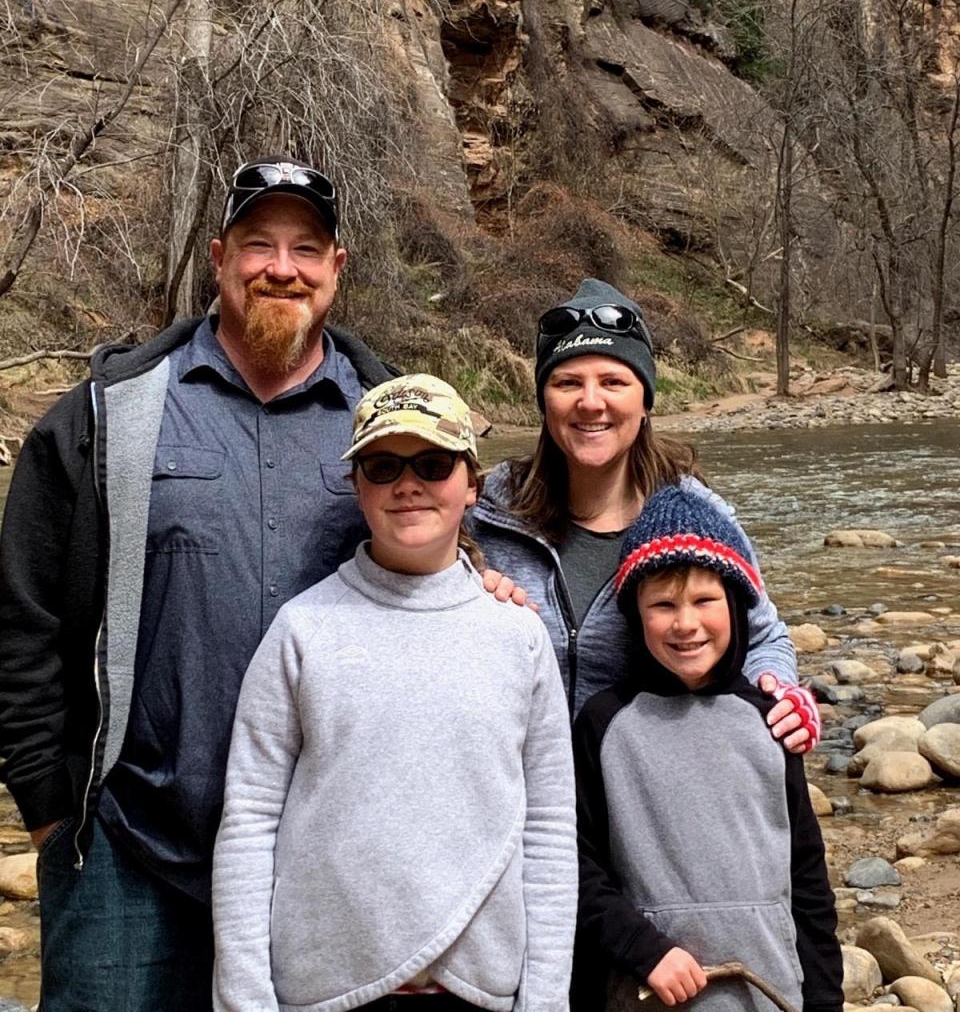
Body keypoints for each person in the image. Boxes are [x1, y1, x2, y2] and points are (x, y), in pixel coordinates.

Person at [0, 160, 397, 1010]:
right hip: (128, 848)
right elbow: (21, 614)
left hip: (324, 855)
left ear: (337, 267)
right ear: (218, 258)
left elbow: (455, 570)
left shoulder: (389, 423)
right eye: (258, 244)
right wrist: (48, 803)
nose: (280, 267)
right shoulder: (112, 414)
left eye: (305, 248)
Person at [212, 374, 577, 1012]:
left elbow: (548, 829)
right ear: (357, 487)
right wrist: (245, 998)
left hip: (482, 988)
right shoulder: (301, 630)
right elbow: (248, 824)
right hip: (328, 990)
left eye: (433, 464)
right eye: (383, 467)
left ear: (472, 486)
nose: (408, 485)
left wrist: (545, 997)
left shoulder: (518, 634)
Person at [471, 278, 820, 748]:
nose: (590, 402)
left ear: (645, 400)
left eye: (614, 382)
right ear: (544, 402)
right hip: (518, 798)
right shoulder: (487, 506)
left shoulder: (696, 518)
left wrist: (779, 698)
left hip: (641, 799)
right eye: (567, 382)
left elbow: (763, 638)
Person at [572, 484, 843, 1012]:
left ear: (738, 605)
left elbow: (808, 880)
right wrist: (641, 948)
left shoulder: (773, 719)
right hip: (644, 991)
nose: (686, 623)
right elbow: (577, 865)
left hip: (771, 993)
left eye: (704, 600)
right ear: (635, 614)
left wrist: (826, 1000)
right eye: (663, 604)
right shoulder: (604, 724)